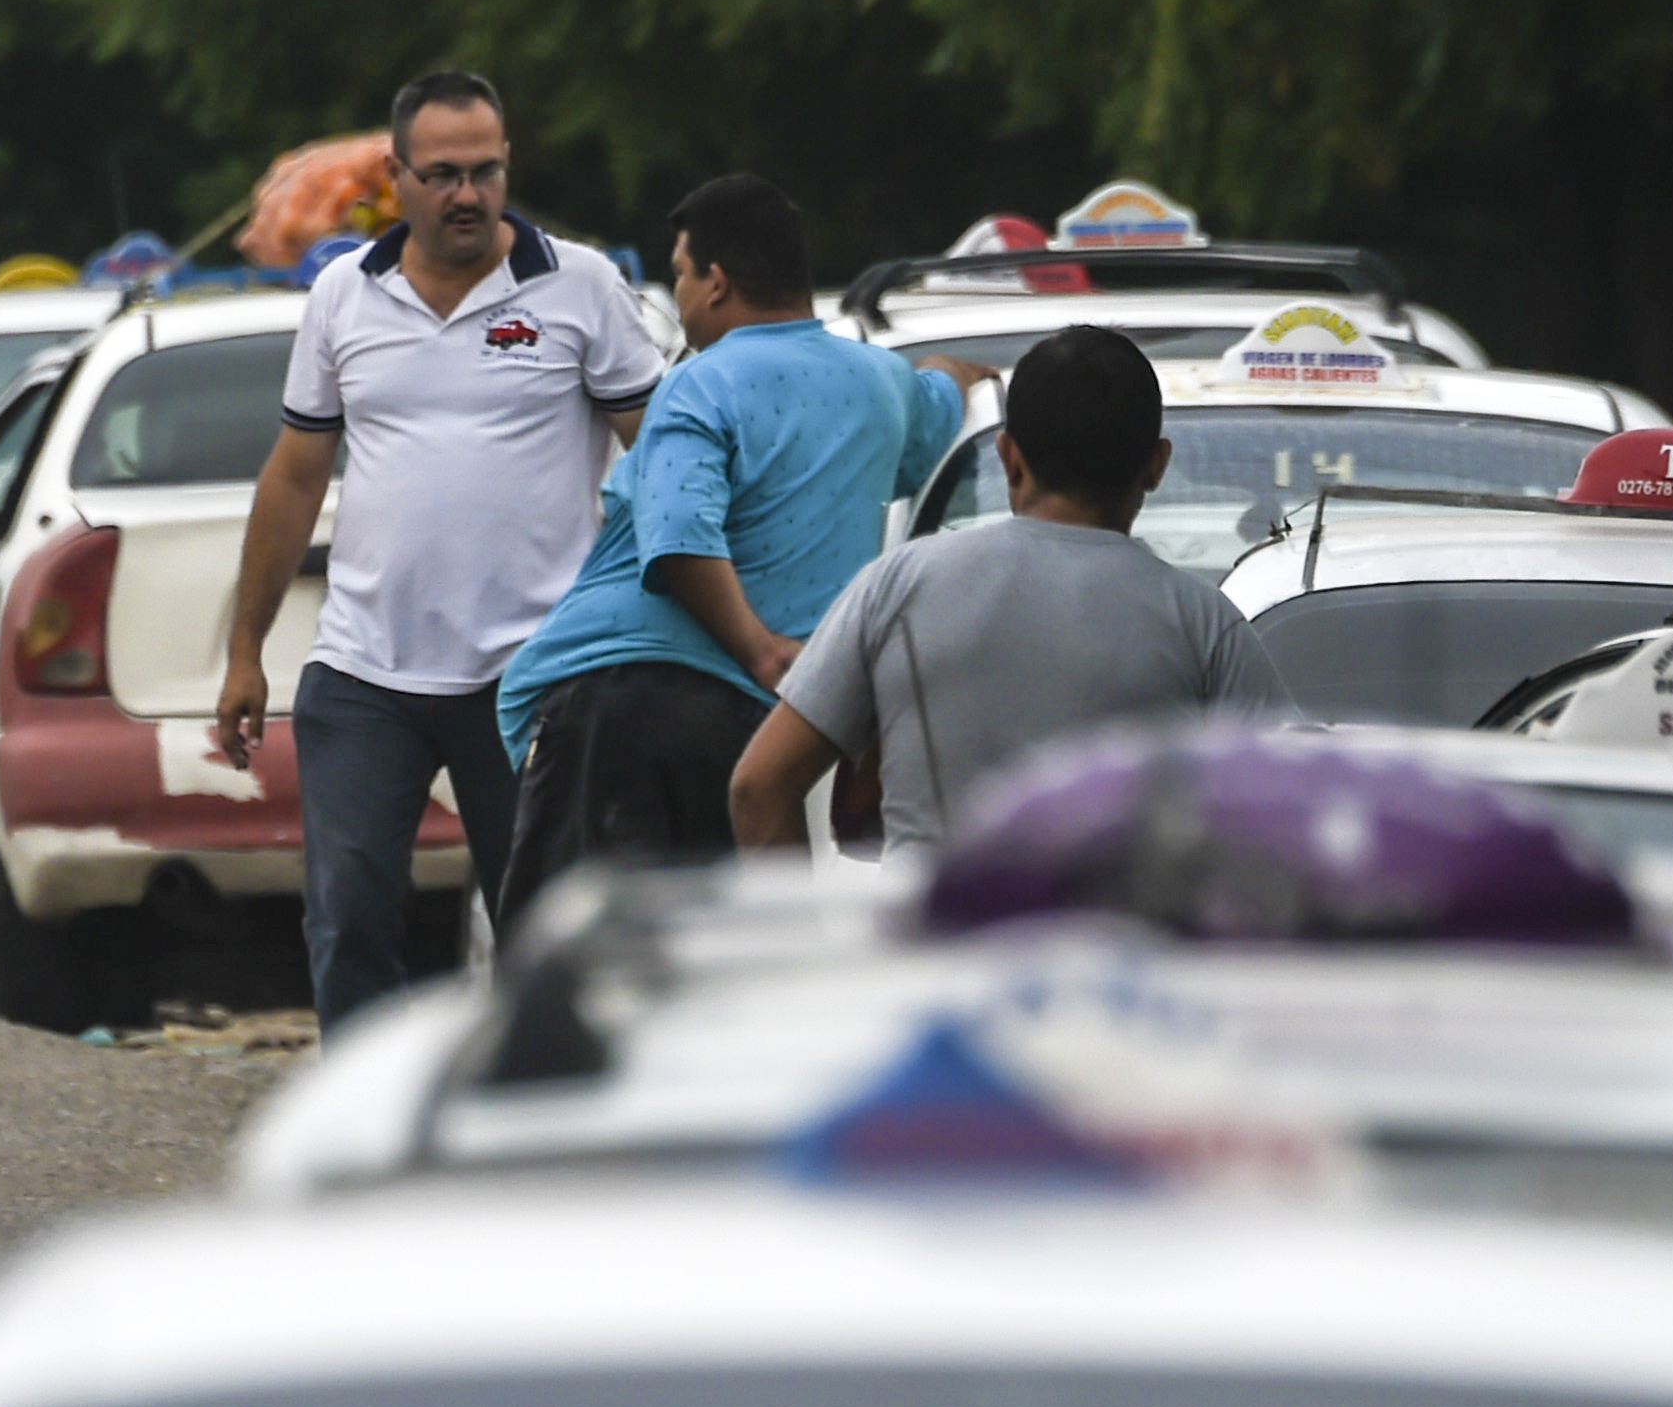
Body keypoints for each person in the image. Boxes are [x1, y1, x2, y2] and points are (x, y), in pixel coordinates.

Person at [212, 70, 660, 1026]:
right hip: (367, 671)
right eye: (444, 173)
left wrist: (644, 625)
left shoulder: (578, 286)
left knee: (545, 933)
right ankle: (369, 1145)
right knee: (350, 920)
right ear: (399, 177)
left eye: (486, 171)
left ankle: (543, 1140)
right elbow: (295, 474)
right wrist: (244, 651)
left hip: (531, 674)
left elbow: (659, 459)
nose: (467, 194)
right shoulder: (344, 293)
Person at [494, 174, 979, 920]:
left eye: (683, 274)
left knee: (578, 972)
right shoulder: (883, 384)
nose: (682, 294)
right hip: (754, 728)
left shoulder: (697, 385)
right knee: (716, 969)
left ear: (717, 283)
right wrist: (964, 372)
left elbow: (680, 537)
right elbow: (938, 400)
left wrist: (760, 649)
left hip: (622, 706)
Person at [732, 325, 1289, 857]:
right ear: (1156, 466)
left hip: (934, 946)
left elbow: (758, 789)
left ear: (1009, 458)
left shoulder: (897, 586)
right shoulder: (1205, 623)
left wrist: (799, 942)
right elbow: (1288, 815)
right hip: (1127, 948)